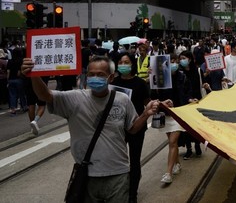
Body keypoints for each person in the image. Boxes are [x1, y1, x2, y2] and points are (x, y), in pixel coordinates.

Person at [21, 55, 159, 203]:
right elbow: (45, 95)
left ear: (111, 78)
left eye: (100, 75)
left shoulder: (122, 99)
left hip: (118, 175)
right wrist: (34, 75)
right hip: (87, 176)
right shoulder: (74, 98)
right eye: (91, 74)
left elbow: (132, 129)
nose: (95, 78)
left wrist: (145, 114)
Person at [111, 52, 151, 202]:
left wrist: (155, 107)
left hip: (137, 126)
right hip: (117, 127)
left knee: (134, 160)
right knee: (118, 160)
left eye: (126, 62)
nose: (123, 65)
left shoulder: (140, 83)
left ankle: (132, 193)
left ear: (132, 64)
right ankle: (118, 189)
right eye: (120, 62)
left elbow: (147, 102)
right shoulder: (113, 82)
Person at [151, 53, 187, 185]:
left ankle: (168, 173)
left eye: (175, 61)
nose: (173, 63)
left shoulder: (182, 76)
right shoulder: (159, 78)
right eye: (170, 61)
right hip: (165, 115)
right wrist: (151, 78)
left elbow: (186, 93)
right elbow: (153, 96)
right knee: (173, 143)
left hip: (178, 114)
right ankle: (177, 163)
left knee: (172, 142)